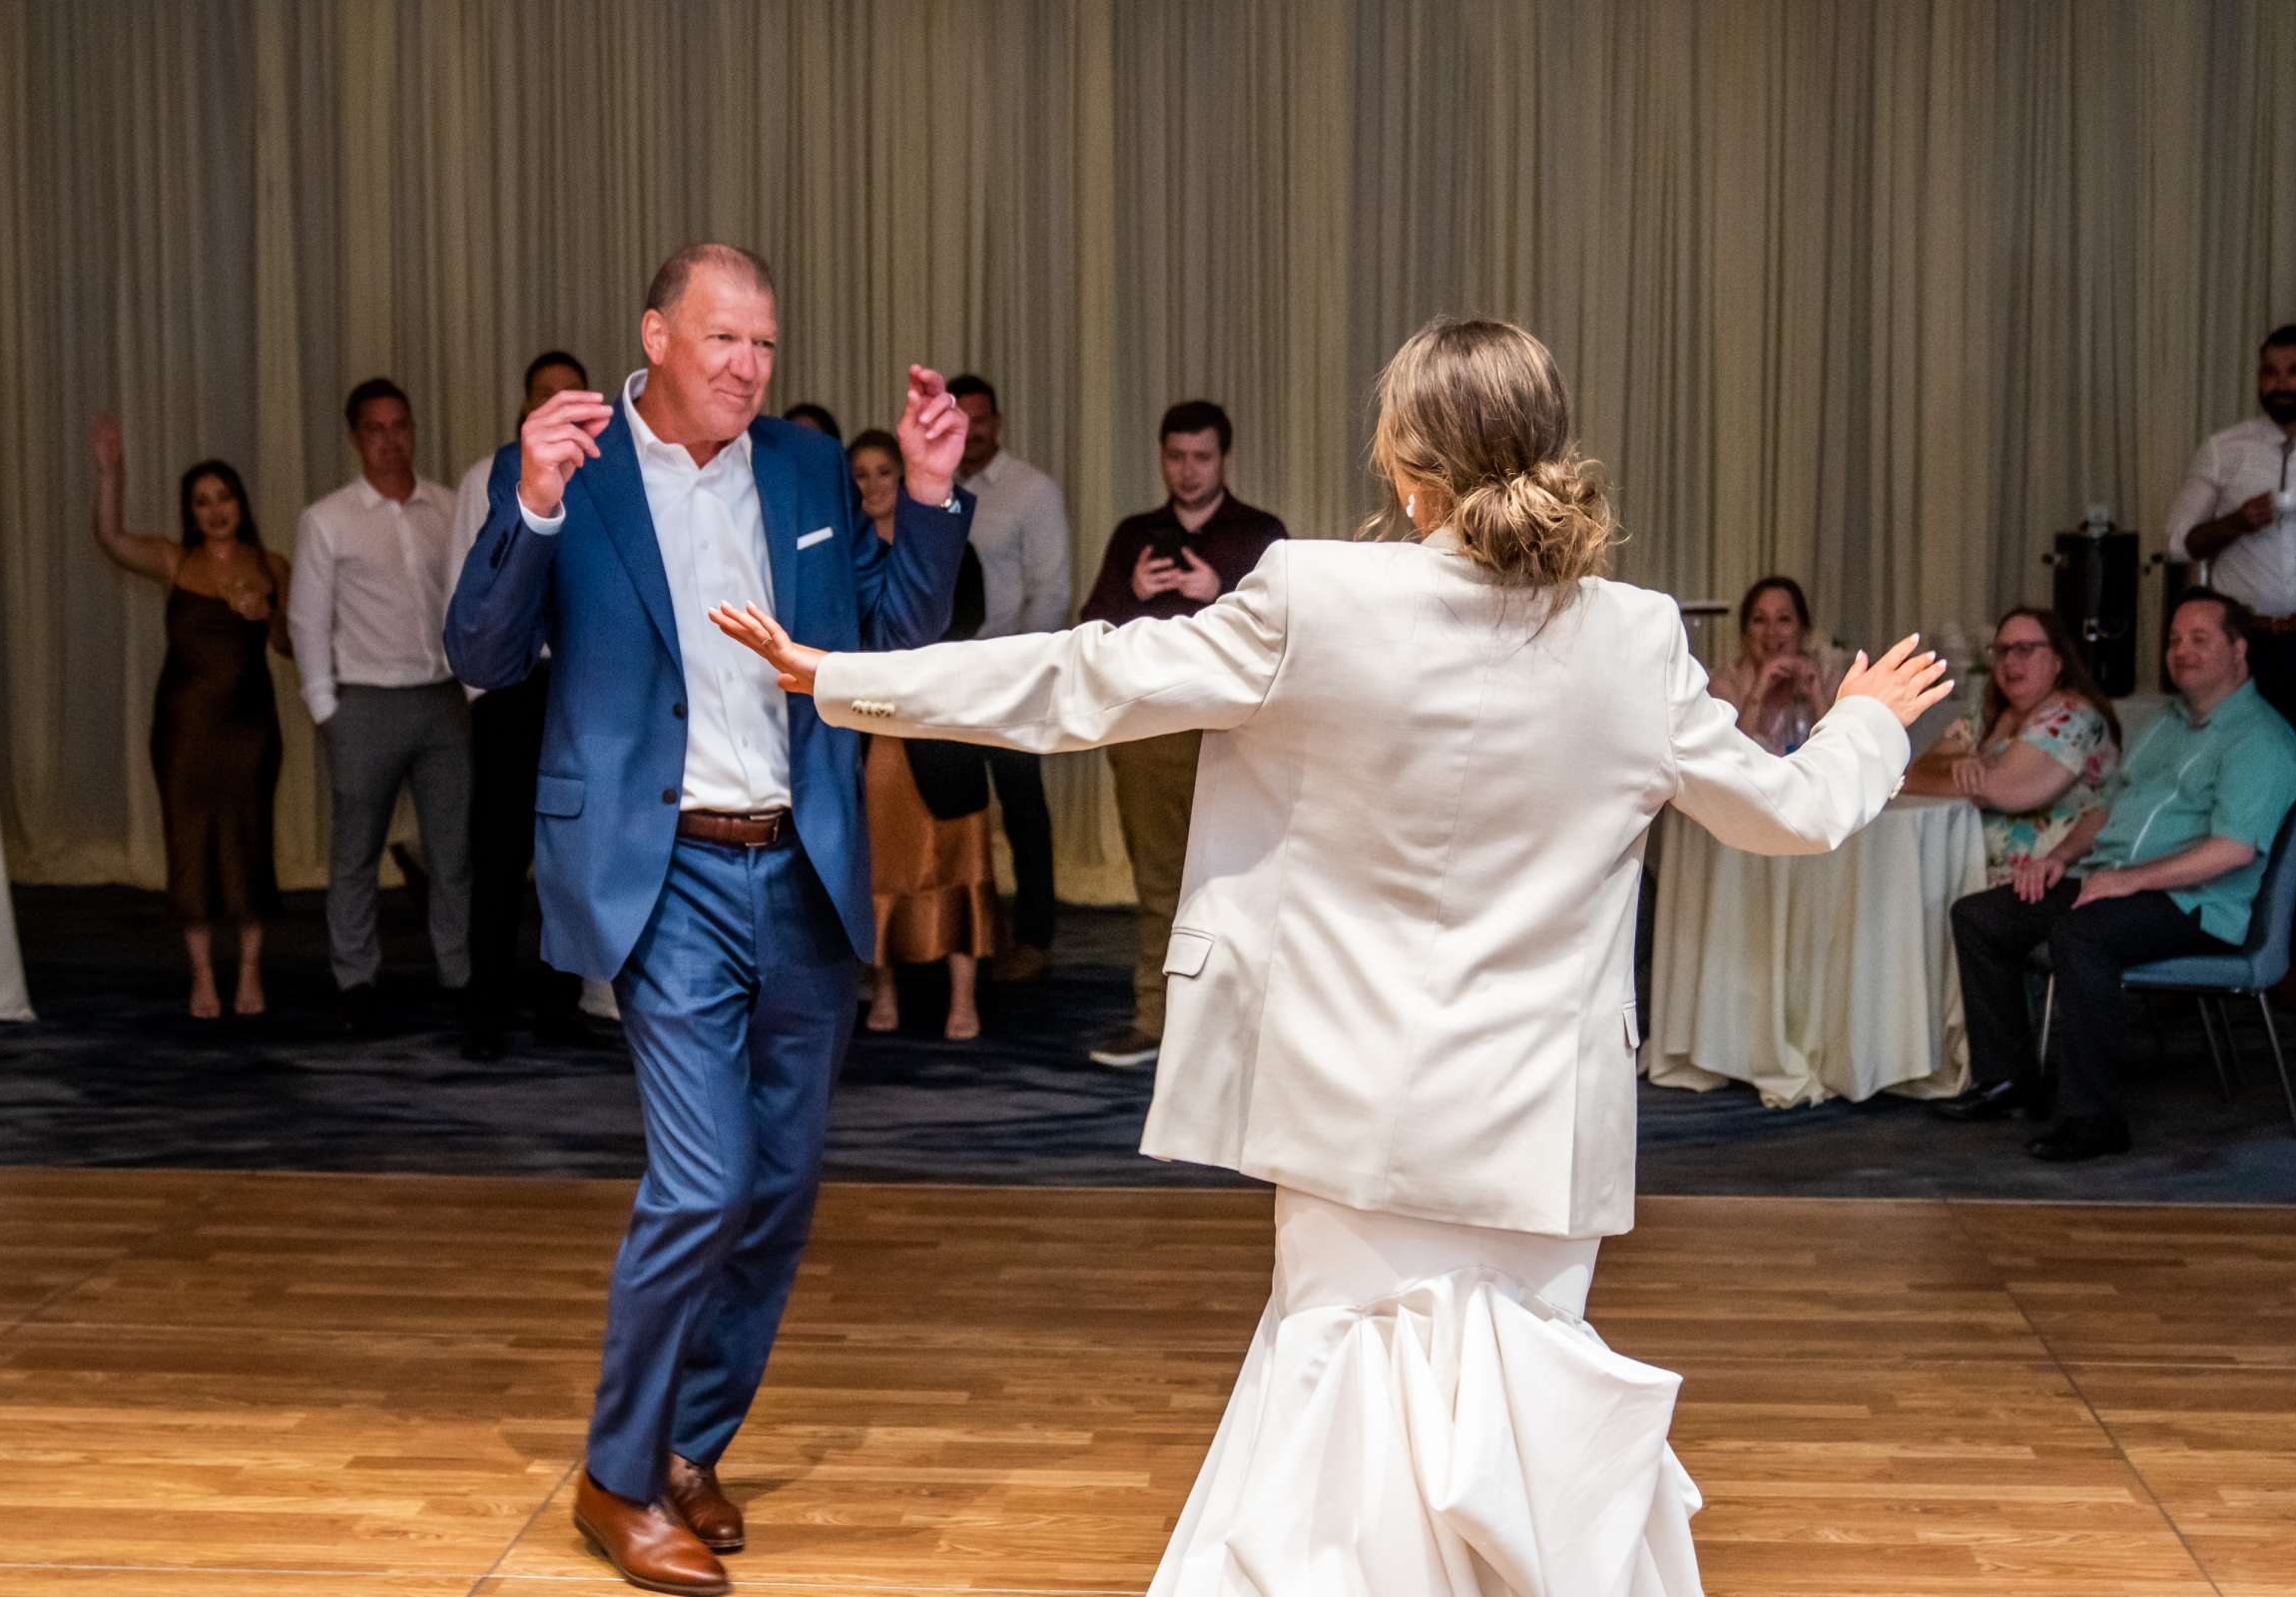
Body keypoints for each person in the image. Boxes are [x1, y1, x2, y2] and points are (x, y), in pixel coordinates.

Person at [715, 315, 1948, 1594]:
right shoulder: (1634, 639)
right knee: (1520, 1434)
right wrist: (1864, 725)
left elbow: (1086, 685)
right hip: (1537, 1132)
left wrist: (845, 677)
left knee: (1333, 1424)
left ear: (1407, 465)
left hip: (1351, 1108)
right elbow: (1793, 814)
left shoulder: (1319, 597)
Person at [445, 243, 970, 1597]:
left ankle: (690, 1442)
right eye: (725, 340)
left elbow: (891, 646)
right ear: (658, 337)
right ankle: (616, 1480)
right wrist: (537, 508)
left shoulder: (796, 468)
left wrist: (924, 497)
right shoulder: (579, 469)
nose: (747, 367)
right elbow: (484, 660)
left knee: (781, 1189)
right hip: (661, 870)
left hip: (797, 868)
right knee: (702, 1179)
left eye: (766, 346)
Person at [1936, 590, 2296, 1161]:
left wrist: (2130, 881)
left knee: (2082, 934)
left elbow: (2232, 851)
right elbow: (2105, 809)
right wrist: (2061, 858)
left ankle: (2093, 1118)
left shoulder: (2260, 739)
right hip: (2112, 879)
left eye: (2199, 639)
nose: (2181, 651)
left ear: (2239, 650)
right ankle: (2007, 1080)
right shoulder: (2168, 723)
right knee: (1982, 916)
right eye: (2175, 639)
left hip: (2198, 904)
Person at [1073, 399, 1287, 1069]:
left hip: (1237, 733)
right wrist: (1132, 591)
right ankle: (1154, 1019)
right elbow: (1088, 632)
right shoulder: (1136, 533)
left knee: (1245, 884)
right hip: (1150, 732)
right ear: (1162, 456)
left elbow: (1289, 637)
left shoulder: (1261, 534)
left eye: (1201, 457)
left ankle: (1241, 1031)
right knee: (1160, 882)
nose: (1188, 471)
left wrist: (1220, 591)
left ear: (1224, 458)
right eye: (1176, 456)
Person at [2165, 323, 2296, 976]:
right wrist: (2239, 521)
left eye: (2293, 371)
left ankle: (2288, 961)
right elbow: (2179, 542)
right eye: (2270, 372)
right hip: (2241, 645)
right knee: (2211, 788)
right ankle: (2193, 945)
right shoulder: (2226, 452)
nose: (2280, 384)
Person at [88, 417, 290, 1020]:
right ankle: (202, 975)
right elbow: (110, 538)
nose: (215, 510)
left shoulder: (272, 563)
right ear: (191, 512)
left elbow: (291, 645)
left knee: (249, 843)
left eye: (223, 497)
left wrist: (267, 617)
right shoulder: (175, 561)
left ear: (240, 502)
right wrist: (111, 476)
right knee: (189, 846)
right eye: (202, 502)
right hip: (184, 733)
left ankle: (250, 972)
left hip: (250, 729)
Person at [286, 377, 470, 1029]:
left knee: (453, 852)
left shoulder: (448, 508)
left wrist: (471, 689)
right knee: (355, 851)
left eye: (400, 425)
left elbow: (466, 605)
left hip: (444, 700)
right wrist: (325, 709)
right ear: (355, 438)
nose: (390, 441)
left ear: (413, 429)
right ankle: (355, 978)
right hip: (364, 703)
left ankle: (458, 972)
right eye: (375, 428)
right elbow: (307, 621)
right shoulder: (327, 520)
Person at [446, 349, 593, 1060]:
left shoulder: (604, 476)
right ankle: (486, 1009)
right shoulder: (491, 473)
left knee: (569, 856)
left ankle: (559, 1002)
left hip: (578, 693)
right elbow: (462, 586)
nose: (559, 403)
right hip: (508, 689)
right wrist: (481, 691)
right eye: (545, 394)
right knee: (498, 857)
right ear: (525, 405)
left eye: (571, 393)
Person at [846, 427, 994, 1040]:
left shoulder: (944, 540)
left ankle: (964, 1000)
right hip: (871, 724)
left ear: (905, 478)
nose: (874, 484)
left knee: (959, 853)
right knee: (880, 864)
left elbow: (969, 618)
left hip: (942, 719)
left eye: (885, 471)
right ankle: (885, 993)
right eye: (862, 474)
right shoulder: (842, 553)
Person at [947, 372, 1069, 981]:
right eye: (959, 417)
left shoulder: (1030, 490)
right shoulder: (928, 486)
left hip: (1008, 675)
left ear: (997, 420)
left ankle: (1035, 937)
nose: (972, 430)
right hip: (941, 678)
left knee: (1023, 809)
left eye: (981, 417)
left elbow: (1051, 592)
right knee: (956, 814)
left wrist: (1016, 670)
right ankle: (967, 937)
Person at [1902, 607, 2121, 884]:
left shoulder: (2072, 716)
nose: (2010, 661)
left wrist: (1968, 769)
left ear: (2058, 660)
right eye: (2002, 650)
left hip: (2053, 882)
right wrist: (1958, 763)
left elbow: (2002, 789)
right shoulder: (1987, 713)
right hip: (1982, 881)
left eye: (2025, 649)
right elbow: (1917, 771)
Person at [1706, 575, 1847, 754]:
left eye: (1784, 619)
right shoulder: (1724, 684)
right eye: (1759, 619)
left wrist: (1816, 694)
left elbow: (1841, 755)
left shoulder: (1828, 675)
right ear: (1745, 633)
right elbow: (1727, 759)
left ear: (1803, 630)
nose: (1771, 631)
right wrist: (1758, 691)